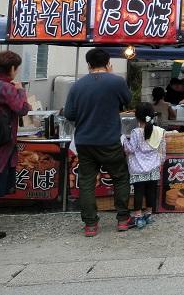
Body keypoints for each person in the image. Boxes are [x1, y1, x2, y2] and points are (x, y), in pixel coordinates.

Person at [64, 48, 134, 236]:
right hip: (109, 140)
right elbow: (128, 101)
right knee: (120, 177)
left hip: (84, 141)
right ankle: (122, 219)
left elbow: (69, 114)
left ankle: (90, 224)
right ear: (108, 63)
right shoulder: (116, 81)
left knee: (87, 181)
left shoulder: (77, 85)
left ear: (88, 64)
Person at [0, 51, 31, 242]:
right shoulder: (8, 88)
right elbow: (22, 109)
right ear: (12, 68)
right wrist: (21, 90)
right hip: (0, 146)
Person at [121, 102, 166, 229]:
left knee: (139, 192)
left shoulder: (136, 132)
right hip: (154, 167)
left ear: (137, 117)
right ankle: (148, 215)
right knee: (151, 191)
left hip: (138, 168)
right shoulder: (160, 131)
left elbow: (130, 149)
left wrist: (123, 139)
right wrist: (161, 163)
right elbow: (163, 150)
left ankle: (138, 217)